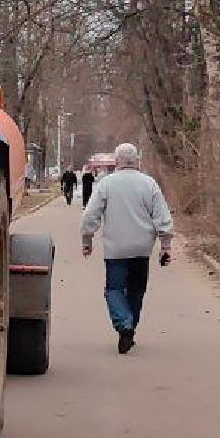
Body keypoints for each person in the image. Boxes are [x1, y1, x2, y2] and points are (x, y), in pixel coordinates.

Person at [80, 143, 175, 354]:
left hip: (116, 248)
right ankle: (130, 326)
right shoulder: (149, 184)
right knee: (136, 290)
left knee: (114, 289)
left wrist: (87, 241)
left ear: (117, 161)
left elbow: (90, 216)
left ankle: (125, 325)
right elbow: (162, 216)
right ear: (137, 161)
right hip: (142, 248)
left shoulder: (106, 184)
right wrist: (165, 245)